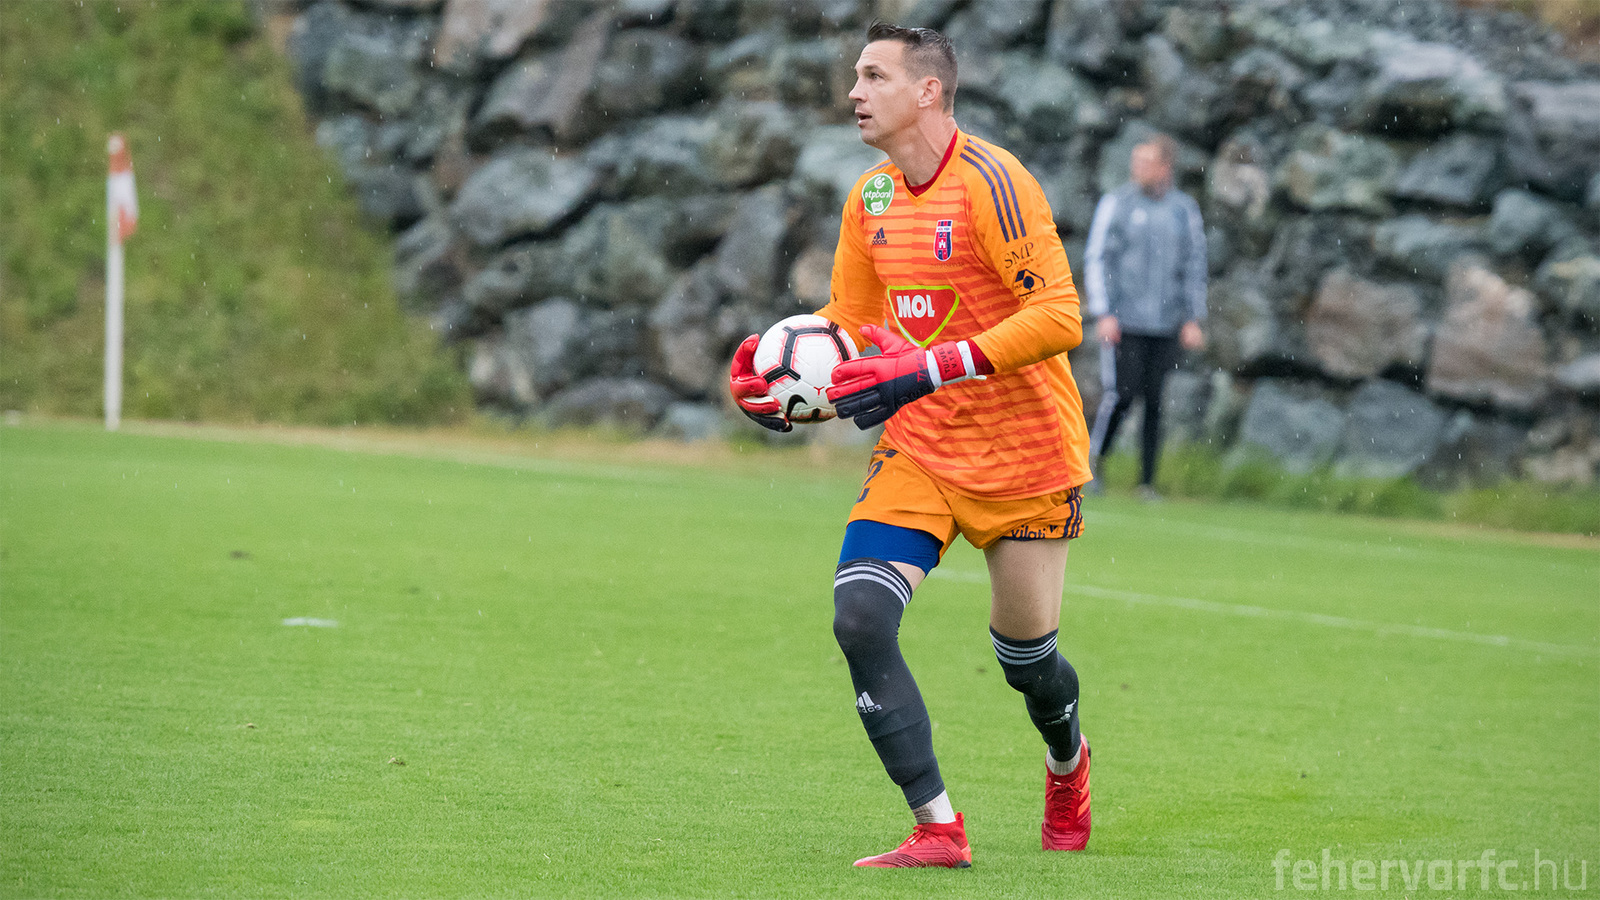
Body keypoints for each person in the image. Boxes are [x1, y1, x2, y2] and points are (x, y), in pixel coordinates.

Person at [728, 22, 1093, 868]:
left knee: (1027, 662)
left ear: (928, 91)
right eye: (856, 75)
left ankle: (1067, 761)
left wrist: (928, 366)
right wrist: (779, 369)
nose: (855, 92)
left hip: (1025, 456)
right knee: (859, 616)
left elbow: (1058, 316)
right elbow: (851, 322)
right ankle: (937, 828)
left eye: (874, 76)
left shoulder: (996, 183)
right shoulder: (872, 199)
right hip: (921, 448)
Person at [1082, 134, 1208, 500]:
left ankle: (1147, 482)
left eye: (1146, 162)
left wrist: (1192, 317)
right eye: (1136, 161)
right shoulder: (1117, 203)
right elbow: (1098, 258)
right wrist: (1104, 312)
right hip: (1125, 322)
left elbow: (1194, 264)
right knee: (1120, 396)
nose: (1138, 168)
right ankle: (1094, 467)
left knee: (1155, 400)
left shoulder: (1183, 210)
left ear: (1165, 167)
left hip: (1165, 323)